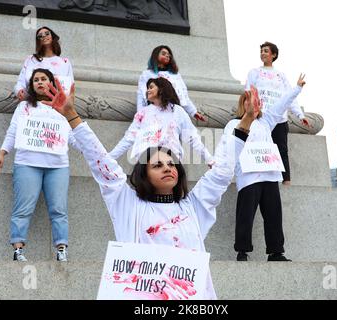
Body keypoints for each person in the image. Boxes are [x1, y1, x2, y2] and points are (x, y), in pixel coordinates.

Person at [40, 78, 258, 299]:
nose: (167, 168)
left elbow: (221, 173)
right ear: (143, 174)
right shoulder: (127, 204)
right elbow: (101, 162)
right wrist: (71, 116)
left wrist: (246, 121)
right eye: (157, 165)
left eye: (171, 164)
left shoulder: (193, 207)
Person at [0, 68, 80, 262]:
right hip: (27, 163)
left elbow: (73, 136)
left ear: (52, 83)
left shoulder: (61, 107)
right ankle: (18, 250)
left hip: (58, 165)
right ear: (31, 85)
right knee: (23, 208)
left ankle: (61, 249)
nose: (40, 82)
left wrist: (94, 154)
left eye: (44, 79)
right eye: (36, 80)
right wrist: (2, 153)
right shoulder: (24, 107)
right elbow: (12, 132)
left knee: (59, 209)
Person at [218, 74, 306, 262]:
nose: (259, 105)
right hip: (249, 176)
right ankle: (242, 251)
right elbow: (226, 145)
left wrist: (297, 88)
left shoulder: (266, 123)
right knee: (245, 215)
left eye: (259, 102)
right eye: (255, 102)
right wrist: (216, 161)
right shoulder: (234, 124)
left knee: (274, 215)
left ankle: (276, 251)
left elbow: (282, 103)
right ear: (245, 104)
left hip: (270, 176)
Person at [109, 77, 213, 166]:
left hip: (170, 162)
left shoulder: (177, 111)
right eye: (147, 88)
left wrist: (209, 159)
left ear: (162, 89)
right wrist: (110, 157)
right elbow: (129, 138)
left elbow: (192, 138)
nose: (147, 91)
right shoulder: (143, 113)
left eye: (151, 87)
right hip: (145, 163)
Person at [245, 41, 309, 185]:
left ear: (273, 55)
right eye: (261, 51)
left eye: (266, 51)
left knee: (281, 149)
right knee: (261, 148)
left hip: (279, 119)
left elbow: (289, 97)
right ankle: (262, 179)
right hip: (260, 118)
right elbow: (248, 93)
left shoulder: (281, 75)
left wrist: (300, 115)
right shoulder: (254, 72)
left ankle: (286, 181)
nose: (263, 53)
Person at [137, 45, 206, 122]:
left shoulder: (175, 75)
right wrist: (140, 114)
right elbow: (141, 95)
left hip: (173, 111)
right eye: (163, 54)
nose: (167, 55)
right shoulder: (147, 74)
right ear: (155, 56)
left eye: (168, 55)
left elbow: (183, 95)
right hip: (154, 110)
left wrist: (193, 112)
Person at [14, 26, 74, 102]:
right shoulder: (31, 60)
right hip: (32, 103)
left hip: (56, 104)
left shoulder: (64, 62)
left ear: (52, 36)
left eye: (47, 33)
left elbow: (70, 85)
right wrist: (19, 90)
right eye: (40, 36)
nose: (44, 36)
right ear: (38, 40)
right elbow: (21, 81)